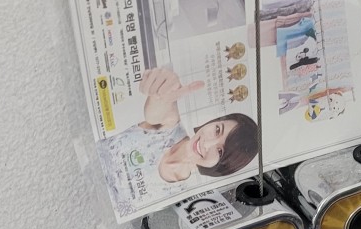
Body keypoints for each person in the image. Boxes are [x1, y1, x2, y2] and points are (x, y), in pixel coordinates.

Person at [97, 67, 259, 215]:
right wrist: (161, 90)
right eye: (217, 130)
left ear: (222, 166)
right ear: (214, 121)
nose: (207, 144)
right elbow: (157, 110)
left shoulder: (184, 198)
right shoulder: (170, 125)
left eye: (220, 151)